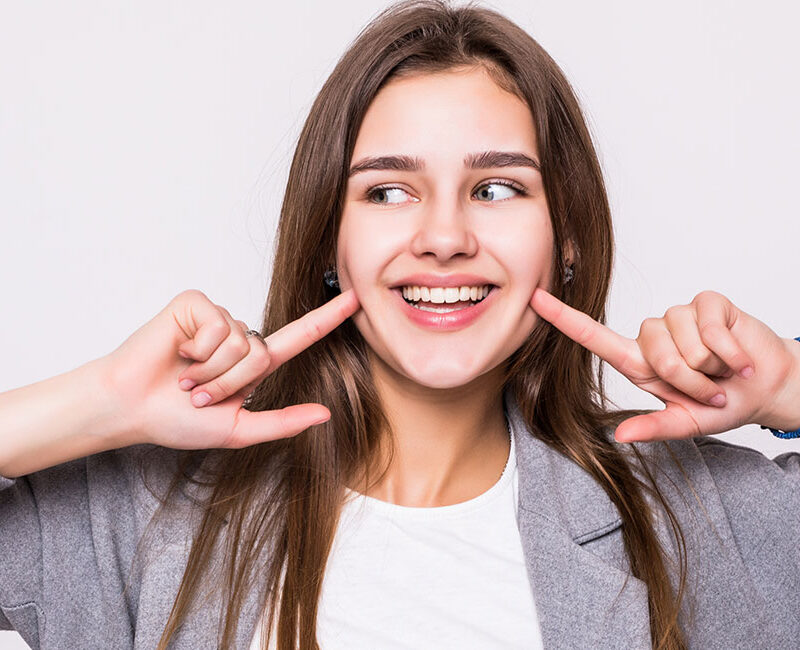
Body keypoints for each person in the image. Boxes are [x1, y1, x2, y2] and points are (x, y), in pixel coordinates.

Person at [1, 1, 798, 648]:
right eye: (388, 191)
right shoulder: (151, 510)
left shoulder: (691, 514)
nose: (445, 237)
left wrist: (788, 388)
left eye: (496, 189)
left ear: (568, 242)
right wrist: (104, 400)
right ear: (328, 242)